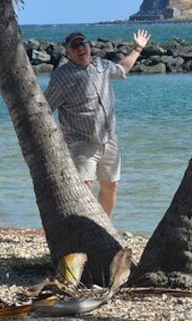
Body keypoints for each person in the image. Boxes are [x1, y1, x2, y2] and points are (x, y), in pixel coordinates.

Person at [44, 28, 150, 217]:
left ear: (89, 46)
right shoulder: (61, 77)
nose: (80, 48)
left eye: (82, 43)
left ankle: (104, 227)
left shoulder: (102, 65)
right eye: (74, 46)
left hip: (109, 139)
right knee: (83, 190)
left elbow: (122, 69)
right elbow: (45, 110)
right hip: (81, 143)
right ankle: (83, 231)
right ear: (68, 53)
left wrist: (138, 49)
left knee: (110, 185)